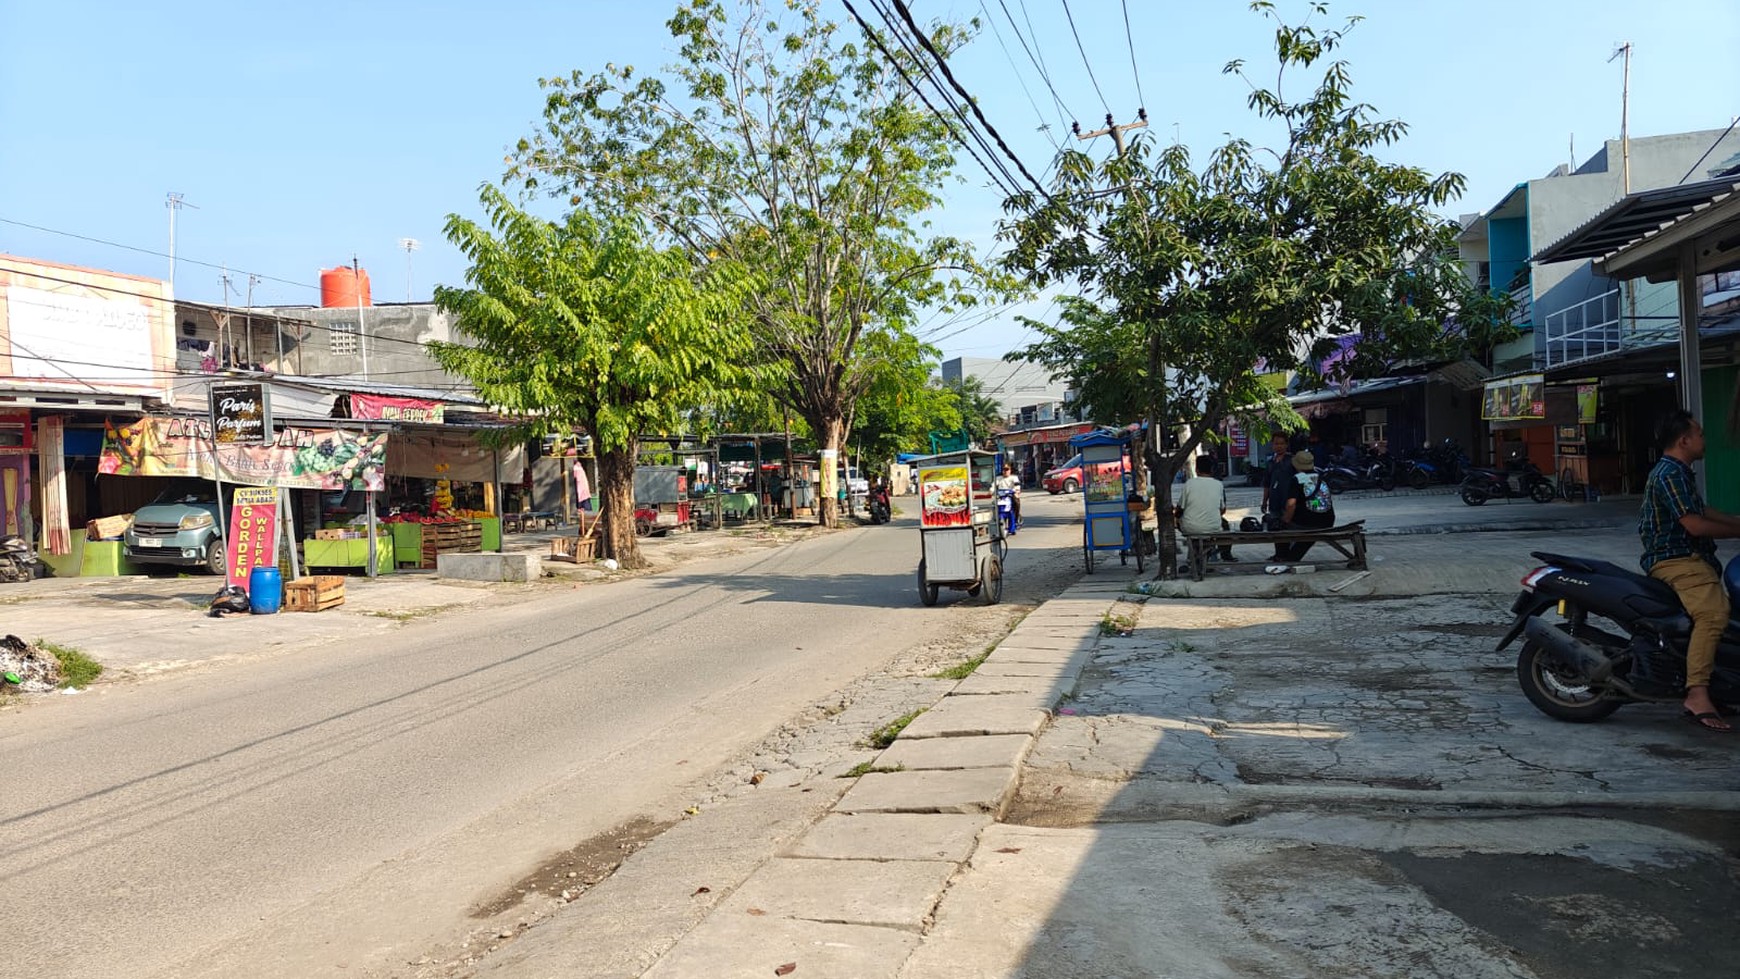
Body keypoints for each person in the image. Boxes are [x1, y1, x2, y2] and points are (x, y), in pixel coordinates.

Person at [1640, 410, 1740, 732]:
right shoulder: (1669, 474)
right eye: (1700, 434)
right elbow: (1695, 525)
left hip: (1690, 558)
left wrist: (1736, 523)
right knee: (1714, 614)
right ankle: (1697, 693)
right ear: (1685, 440)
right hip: (1677, 560)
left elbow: (1701, 510)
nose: (1704, 439)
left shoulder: (1680, 472)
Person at [1275, 450, 1335, 565]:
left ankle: (1282, 557)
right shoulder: (1321, 476)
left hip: (1306, 522)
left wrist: (1285, 520)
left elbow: (1291, 504)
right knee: (1308, 535)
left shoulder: (1297, 479)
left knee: (1281, 528)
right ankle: (1291, 558)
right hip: (1327, 521)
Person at [1176, 457, 1234, 561]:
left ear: (1197, 470)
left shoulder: (1189, 484)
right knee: (1225, 525)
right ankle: (1225, 555)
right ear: (1211, 470)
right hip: (1213, 527)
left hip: (1190, 528)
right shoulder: (1218, 484)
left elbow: (1180, 508)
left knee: (1182, 521)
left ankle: (1197, 556)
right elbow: (1222, 510)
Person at [994, 463, 1022, 534]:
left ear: (1010, 470)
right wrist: (991, 490)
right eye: (1004, 469)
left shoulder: (1014, 477)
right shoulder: (998, 478)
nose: (1005, 471)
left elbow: (1017, 485)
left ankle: (1016, 518)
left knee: (1016, 502)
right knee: (993, 506)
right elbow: (993, 486)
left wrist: (1017, 490)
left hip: (1011, 495)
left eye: (1007, 469)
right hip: (1001, 497)